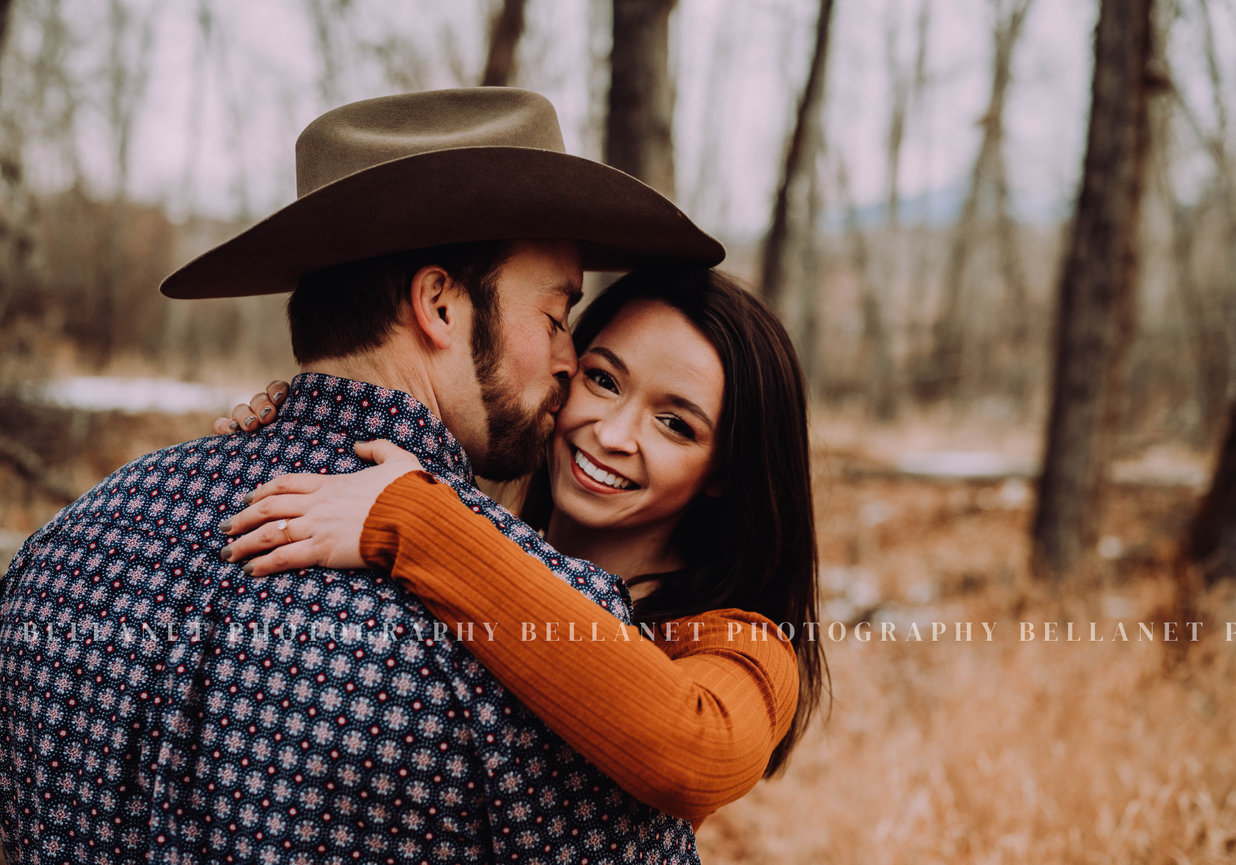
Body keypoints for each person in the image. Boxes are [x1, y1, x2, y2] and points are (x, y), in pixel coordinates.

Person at [0, 88, 724, 865]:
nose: (568, 358)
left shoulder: (64, 549)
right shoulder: (545, 639)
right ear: (440, 306)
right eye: (554, 315)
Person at [211, 267, 828, 825]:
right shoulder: (486, 532)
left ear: (725, 471)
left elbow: (694, 751)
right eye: (604, 379)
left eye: (675, 424)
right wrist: (307, 433)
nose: (613, 434)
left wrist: (417, 521)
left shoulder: (740, 644)